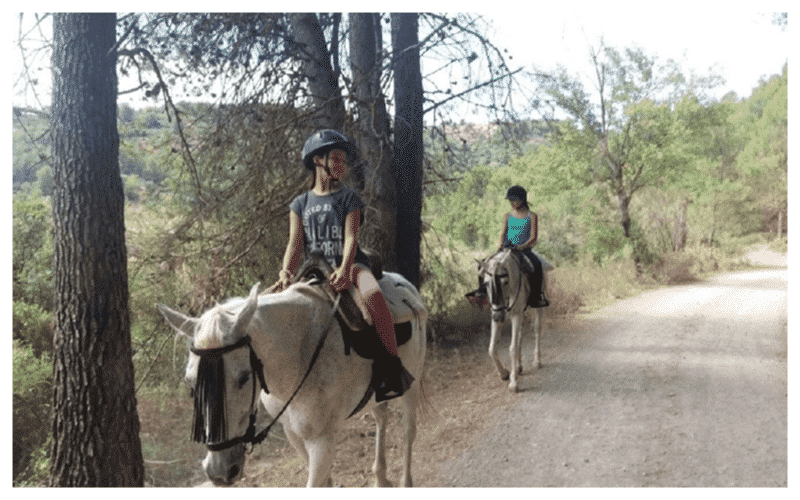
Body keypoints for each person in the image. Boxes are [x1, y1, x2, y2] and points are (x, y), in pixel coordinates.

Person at [269, 129, 412, 402]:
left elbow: (351, 237)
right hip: (315, 269)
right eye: (335, 158)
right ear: (317, 161)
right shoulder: (300, 204)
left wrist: (346, 268)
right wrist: (286, 273)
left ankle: (391, 367)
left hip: (353, 265)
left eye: (343, 160)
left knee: (373, 296)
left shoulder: (349, 199)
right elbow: (294, 243)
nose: (341, 165)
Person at [497, 185, 549, 308]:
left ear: (523, 200)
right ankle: (484, 291)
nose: (513, 203)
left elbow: (533, 237)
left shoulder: (532, 216)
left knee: (537, 265)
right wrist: (500, 245)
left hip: (523, 250)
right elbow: (503, 233)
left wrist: (523, 246)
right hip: (507, 248)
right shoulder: (507, 216)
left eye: (516, 200)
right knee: (487, 264)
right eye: (511, 201)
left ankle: (537, 296)